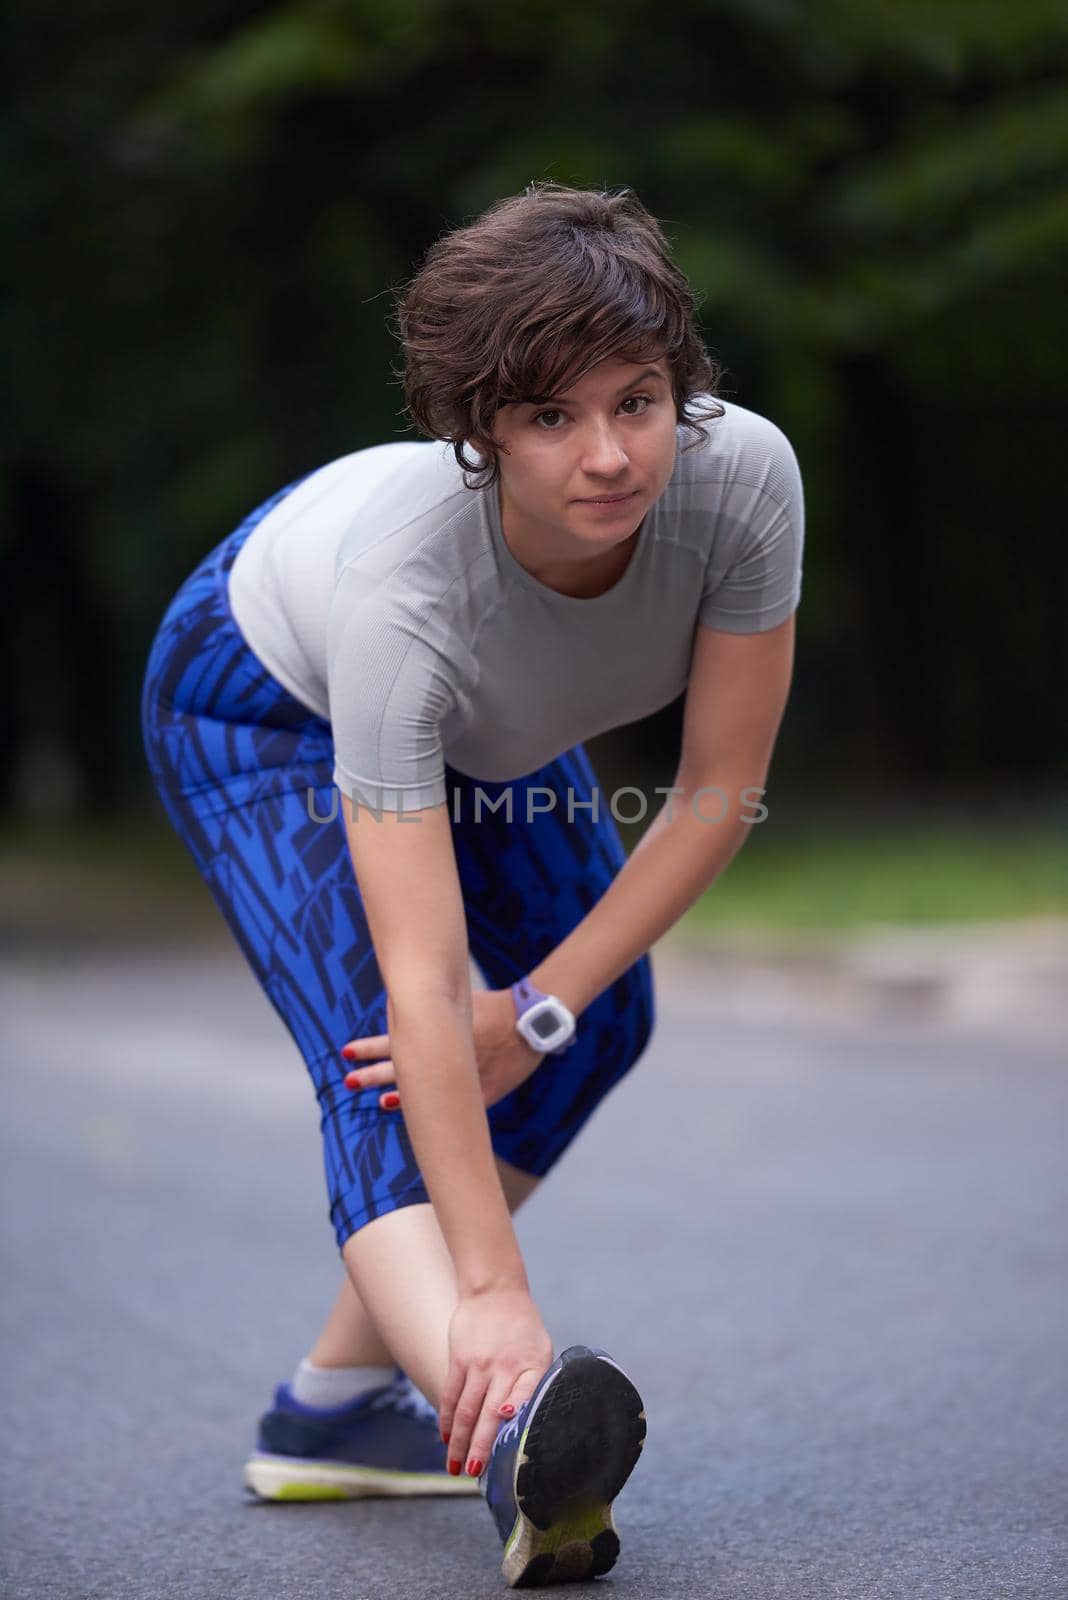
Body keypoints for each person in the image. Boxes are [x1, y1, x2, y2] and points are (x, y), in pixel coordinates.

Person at [140, 180, 803, 1589]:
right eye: (551, 418)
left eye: (636, 400)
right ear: (480, 430)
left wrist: (547, 1007)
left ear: (681, 383)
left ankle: (330, 1410)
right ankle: (509, 1423)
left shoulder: (744, 480)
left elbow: (717, 789)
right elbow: (428, 979)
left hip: (490, 725)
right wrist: (496, 1288)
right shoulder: (407, 594)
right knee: (384, 1055)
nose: (611, 455)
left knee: (603, 1019)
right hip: (259, 706)